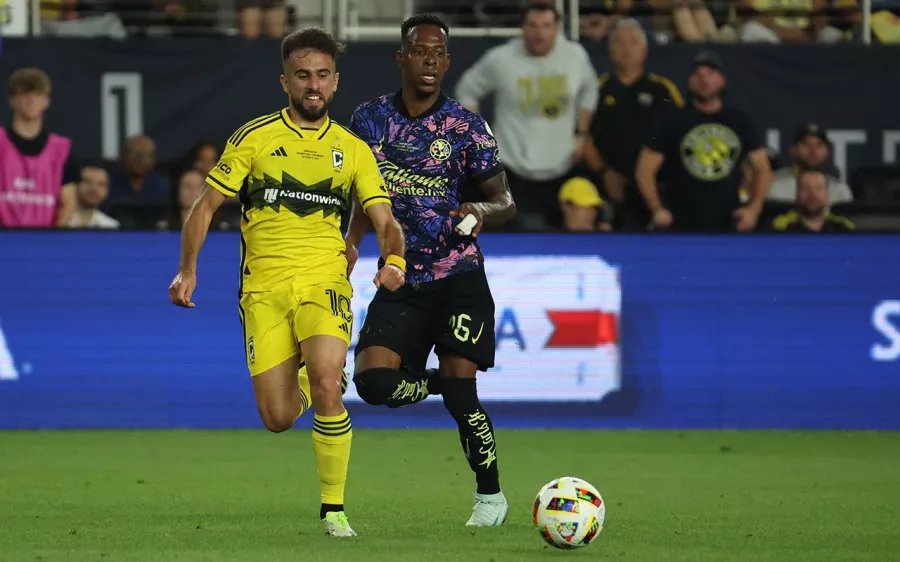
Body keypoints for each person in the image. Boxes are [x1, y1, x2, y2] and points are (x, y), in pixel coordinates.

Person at [168, 27, 406, 538]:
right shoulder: (253, 137)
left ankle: (333, 510)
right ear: (285, 81)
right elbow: (205, 206)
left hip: (324, 281)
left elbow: (385, 219)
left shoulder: (353, 149)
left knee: (326, 380)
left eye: (322, 75)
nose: (312, 84)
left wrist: (394, 260)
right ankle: (312, 381)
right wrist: (188, 267)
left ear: (336, 82)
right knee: (277, 417)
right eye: (303, 75)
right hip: (263, 292)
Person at [345, 14, 516, 527]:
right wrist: (351, 241)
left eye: (439, 53)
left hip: (458, 276)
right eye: (420, 51)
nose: (429, 61)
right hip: (401, 275)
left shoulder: (465, 126)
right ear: (402, 58)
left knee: (465, 398)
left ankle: (491, 497)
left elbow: (505, 199)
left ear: (446, 62)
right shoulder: (369, 119)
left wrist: (482, 212)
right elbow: (358, 191)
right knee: (374, 384)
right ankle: (442, 384)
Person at [454, 2, 597, 230]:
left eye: (546, 26)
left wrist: (582, 132)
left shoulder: (575, 56)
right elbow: (466, 89)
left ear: (557, 28)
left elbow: (590, 89)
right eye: (533, 25)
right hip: (512, 169)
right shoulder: (501, 58)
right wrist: (481, 138)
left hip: (562, 166)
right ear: (522, 28)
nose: (539, 33)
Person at [635, 51, 772, 232]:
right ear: (690, 81)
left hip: (728, 223)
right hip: (680, 223)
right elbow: (644, 169)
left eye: (710, 74)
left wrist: (753, 210)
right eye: (698, 75)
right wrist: (657, 209)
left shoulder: (740, 121)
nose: (704, 80)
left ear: (722, 80)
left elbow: (762, 169)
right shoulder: (672, 121)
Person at [0, 67, 77, 228]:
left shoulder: (61, 150)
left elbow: (68, 204)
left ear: (47, 101)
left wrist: (48, 241)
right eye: (24, 94)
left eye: (38, 94)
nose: (31, 100)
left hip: (43, 245)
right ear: (11, 101)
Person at [770, 169, 855, 233]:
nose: (812, 194)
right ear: (797, 195)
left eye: (818, 188)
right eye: (806, 188)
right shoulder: (781, 227)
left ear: (827, 195)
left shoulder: (842, 227)